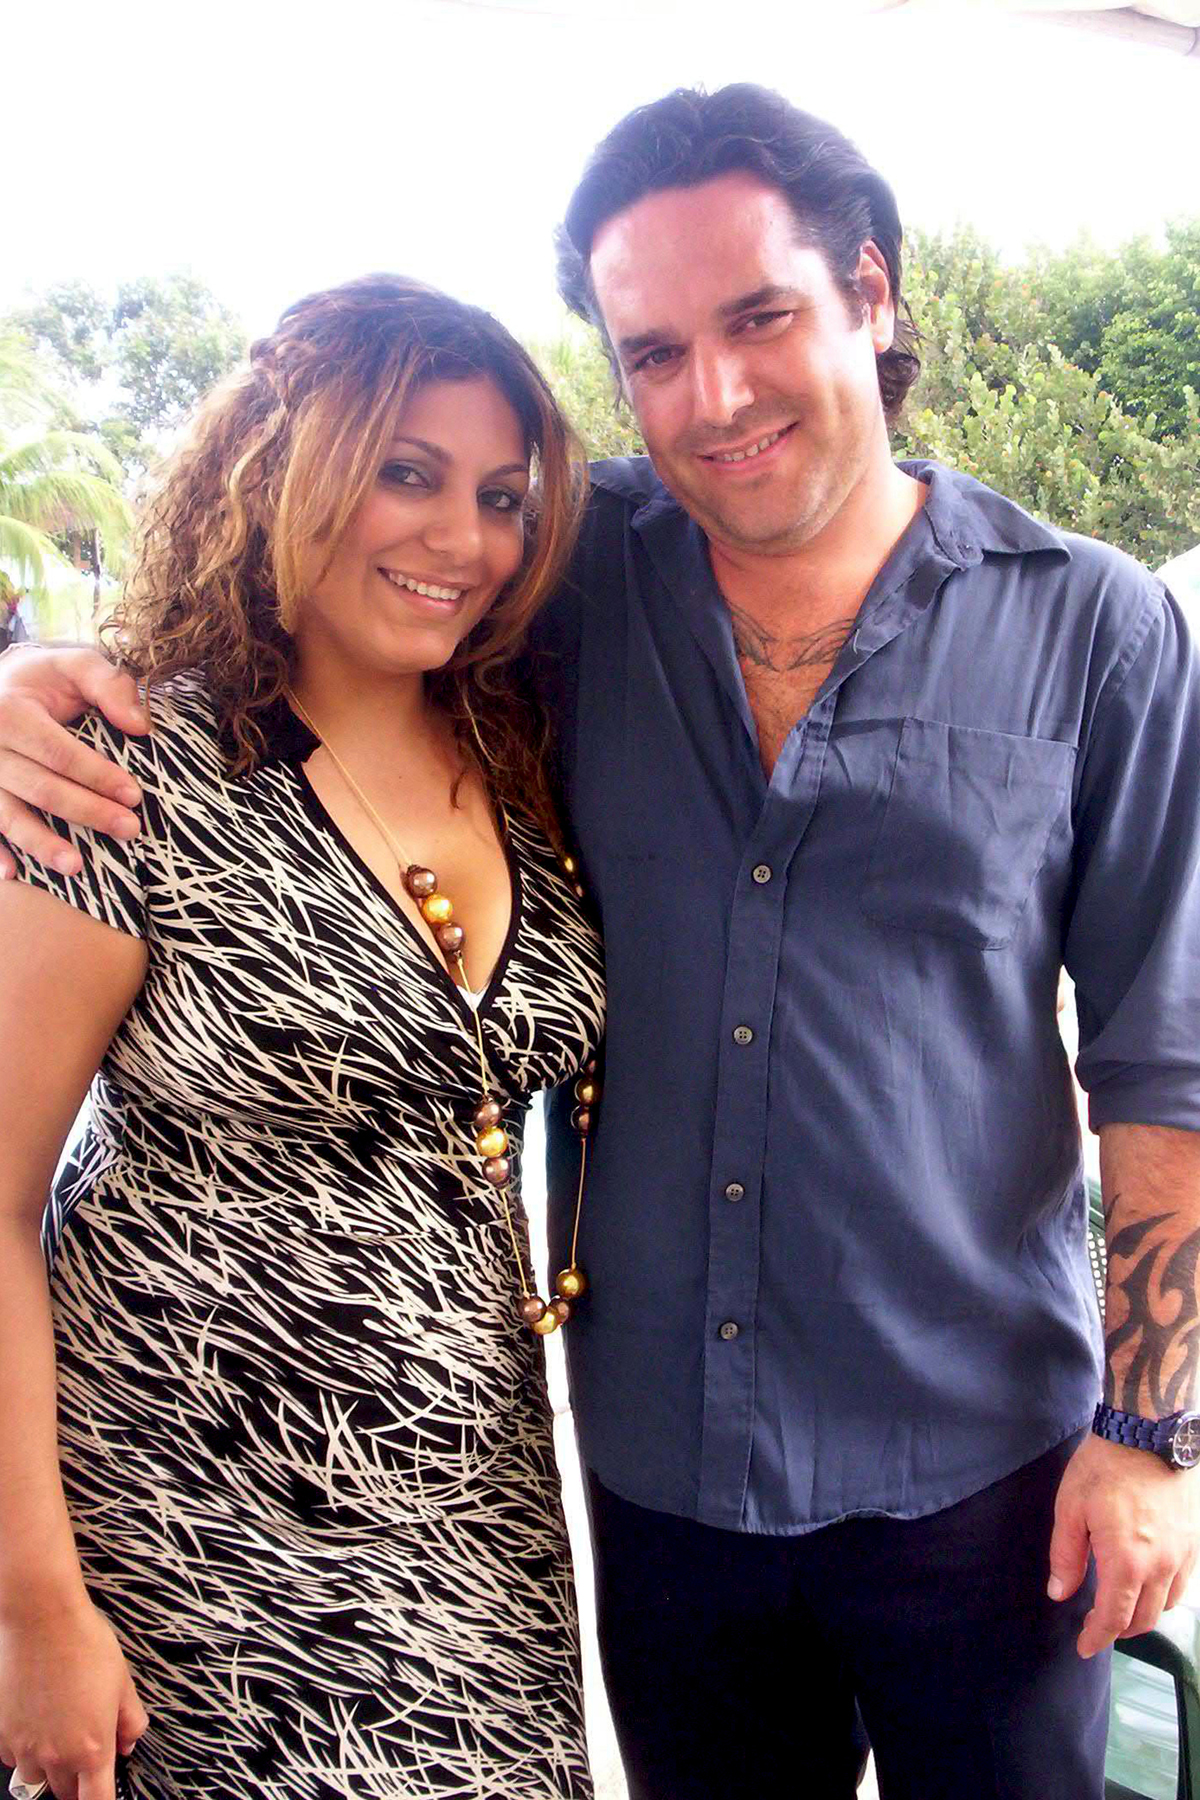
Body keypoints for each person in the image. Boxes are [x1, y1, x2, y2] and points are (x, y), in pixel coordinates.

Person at [2, 83, 1199, 1799]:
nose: (714, 395)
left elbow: (1167, 1056)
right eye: (653, 352)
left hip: (984, 1478)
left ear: (869, 292)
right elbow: (303, 587)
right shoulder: (565, 577)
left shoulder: (1098, 628)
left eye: (759, 317)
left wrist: (1152, 1435)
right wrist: (40, 685)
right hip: (650, 1477)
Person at [0, 274, 604, 1800]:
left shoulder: (519, 740)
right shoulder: (126, 767)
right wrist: (34, 1612)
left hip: (477, 1509)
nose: (462, 539)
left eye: (502, 497)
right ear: (279, 467)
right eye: (406, 472)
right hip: (190, 1523)